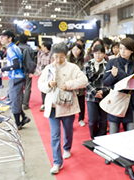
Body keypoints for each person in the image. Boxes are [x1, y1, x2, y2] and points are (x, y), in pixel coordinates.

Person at [38, 42, 88, 174]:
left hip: (67, 106)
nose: (58, 60)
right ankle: (57, 162)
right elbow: (40, 85)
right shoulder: (49, 68)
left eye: (61, 57)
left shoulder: (72, 67)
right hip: (52, 106)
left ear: (66, 55)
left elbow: (84, 81)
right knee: (54, 135)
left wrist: (68, 84)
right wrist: (48, 84)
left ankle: (67, 148)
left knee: (68, 130)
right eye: (56, 56)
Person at [103, 37, 134, 180]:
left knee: (130, 136)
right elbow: (106, 82)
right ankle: (110, 154)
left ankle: (128, 166)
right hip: (115, 101)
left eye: (125, 49)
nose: (122, 51)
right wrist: (113, 77)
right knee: (113, 133)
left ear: (132, 51)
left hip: (130, 102)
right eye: (120, 48)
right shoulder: (112, 62)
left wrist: (118, 74)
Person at [0, 30, 30, 130]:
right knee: (13, 100)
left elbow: (16, 65)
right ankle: (24, 118)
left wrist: (2, 69)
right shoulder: (13, 48)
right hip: (16, 77)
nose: (1, 39)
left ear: (9, 38)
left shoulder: (11, 49)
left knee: (14, 101)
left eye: (3, 36)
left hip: (16, 78)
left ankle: (18, 124)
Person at [83, 44, 109, 139]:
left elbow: (110, 81)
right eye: (95, 53)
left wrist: (102, 91)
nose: (97, 55)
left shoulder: (107, 65)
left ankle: (101, 138)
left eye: (100, 53)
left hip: (104, 95)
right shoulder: (87, 64)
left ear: (104, 54)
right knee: (92, 120)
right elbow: (85, 80)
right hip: (91, 96)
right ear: (92, 53)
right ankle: (93, 137)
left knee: (103, 120)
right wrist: (95, 92)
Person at [67, 42, 86, 127]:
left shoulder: (84, 60)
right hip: (70, 85)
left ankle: (81, 118)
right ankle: (69, 121)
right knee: (69, 103)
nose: (75, 51)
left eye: (77, 49)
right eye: (73, 49)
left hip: (80, 85)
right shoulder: (68, 59)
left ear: (81, 50)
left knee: (81, 103)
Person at [18, 33, 35, 110]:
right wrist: (31, 71)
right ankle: (25, 104)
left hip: (18, 71)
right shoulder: (29, 49)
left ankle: (21, 101)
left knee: (20, 87)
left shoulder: (16, 48)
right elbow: (31, 61)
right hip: (27, 71)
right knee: (27, 87)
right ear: (26, 41)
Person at [36, 41, 53, 111]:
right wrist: (38, 70)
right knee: (43, 88)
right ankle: (44, 104)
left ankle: (49, 103)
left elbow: (51, 65)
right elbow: (38, 63)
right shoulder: (40, 53)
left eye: (42, 46)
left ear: (45, 47)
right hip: (41, 73)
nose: (42, 48)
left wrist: (45, 71)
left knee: (49, 89)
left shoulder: (51, 55)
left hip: (49, 74)